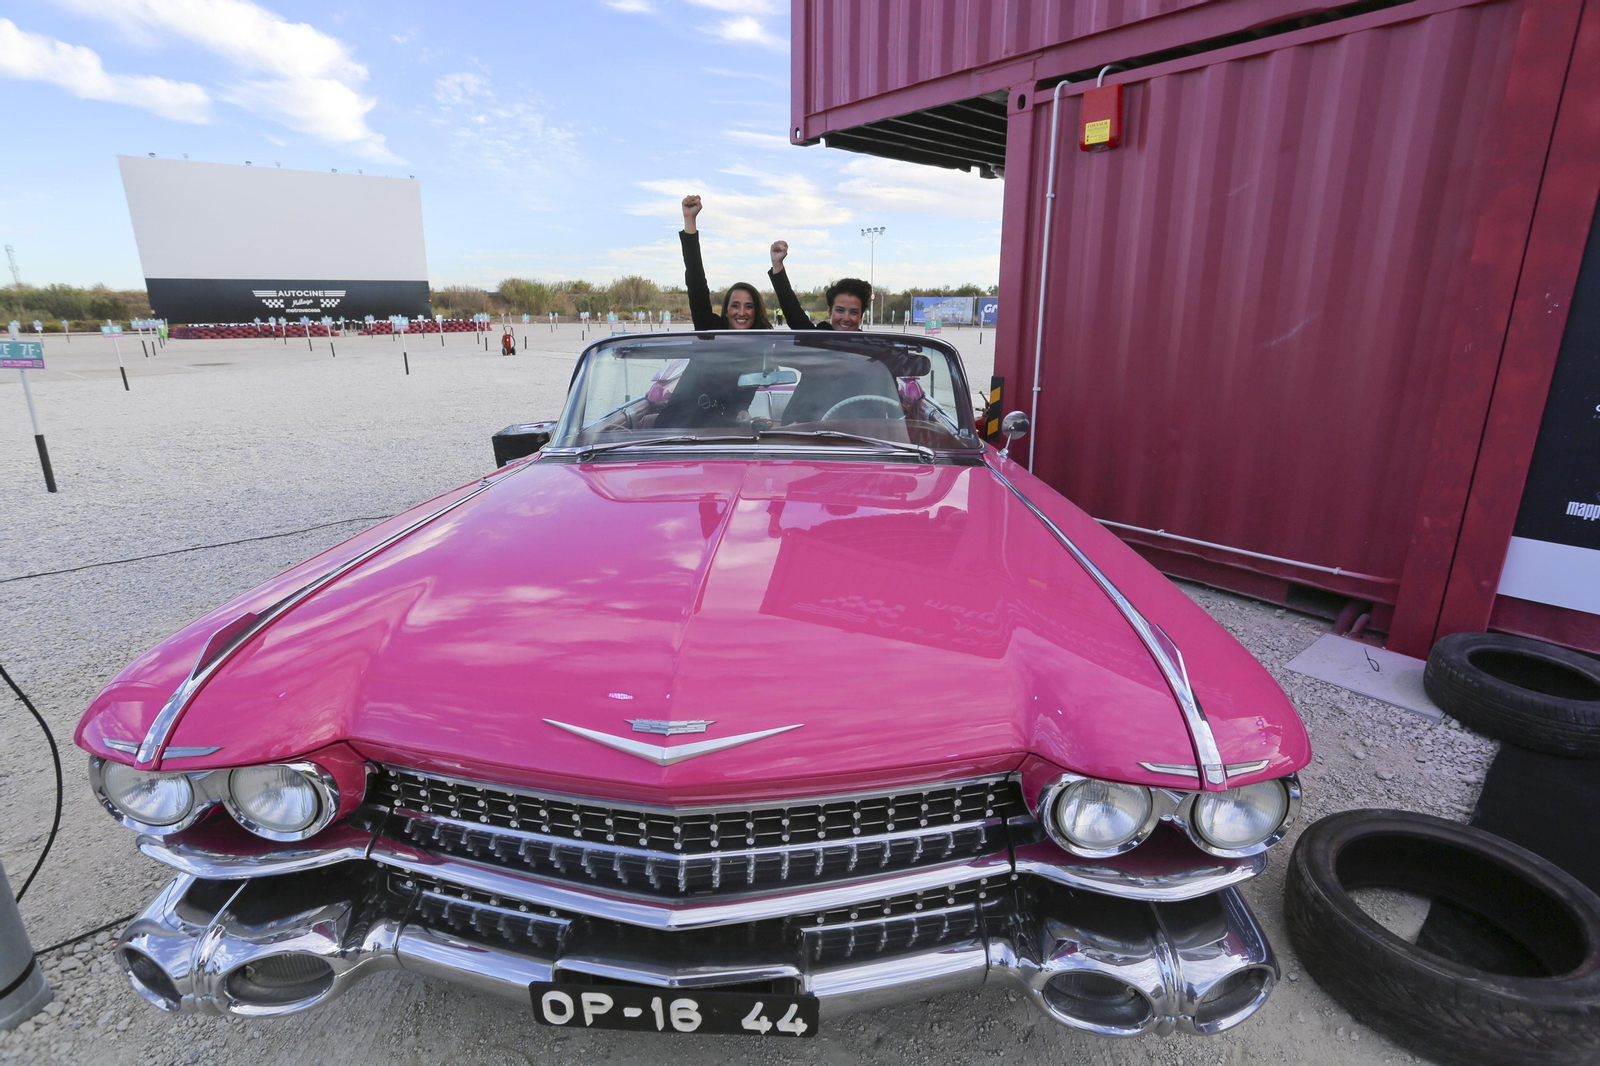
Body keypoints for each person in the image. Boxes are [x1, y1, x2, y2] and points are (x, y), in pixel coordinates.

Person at [679, 195, 772, 330]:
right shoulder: (714, 331)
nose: (741, 313)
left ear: (757, 311)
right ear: (726, 311)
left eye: (749, 306)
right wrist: (689, 219)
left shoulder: (769, 342)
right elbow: (696, 283)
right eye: (735, 305)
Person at [767, 241, 871, 331]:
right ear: (829, 311)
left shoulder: (873, 347)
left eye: (854, 312)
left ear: (861, 316)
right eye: (840, 310)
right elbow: (793, 313)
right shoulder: (818, 337)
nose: (846, 318)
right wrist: (777, 263)